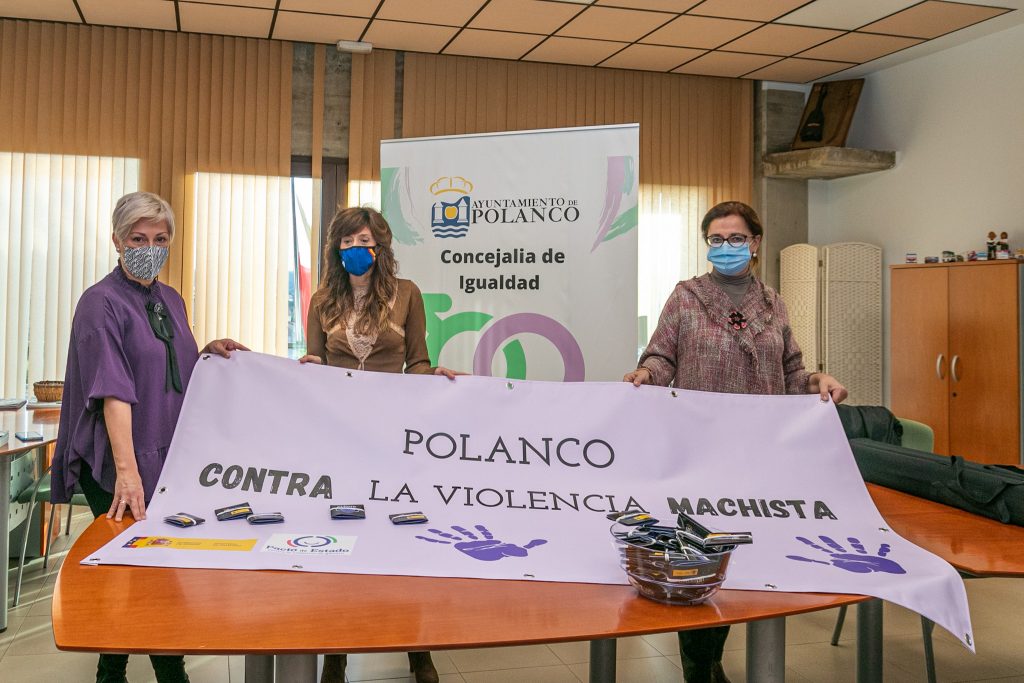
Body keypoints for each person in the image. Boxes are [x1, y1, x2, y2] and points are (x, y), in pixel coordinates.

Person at [623, 201, 847, 683]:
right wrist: (645, 374)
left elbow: (791, 373)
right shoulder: (686, 297)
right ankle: (699, 666)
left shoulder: (774, 303)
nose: (725, 248)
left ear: (755, 243)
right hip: (699, 450)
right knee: (700, 555)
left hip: (758, 453)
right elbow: (662, 355)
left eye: (735, 238)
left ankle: (714, 656)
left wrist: (818, 382)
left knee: (743, 555)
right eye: (716, 240)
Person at [51, 191, 248, 683]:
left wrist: (206, 351)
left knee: (153, 572)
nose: (150, 247)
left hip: (165, 458)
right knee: (141, 573)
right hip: (120, 464)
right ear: (116, 240)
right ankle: (157, 672)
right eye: (138, 238)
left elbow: (165, 367)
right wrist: (127, 475)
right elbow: (113, 392)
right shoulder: (99, 304)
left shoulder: (170, 298)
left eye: (160, 239)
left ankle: (119, 671)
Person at [299, 206, 456, 683]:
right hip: (339, 439)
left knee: (402, 540)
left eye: (362, 240)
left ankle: (417, 650)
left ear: (380, 246)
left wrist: (440, 377)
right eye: (345, 242)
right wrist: (300, 367)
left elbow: (418, 363)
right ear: (335, 249)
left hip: (393, 441)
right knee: (340, 540)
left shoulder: (408, 295)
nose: (353, 250)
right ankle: (336, 654)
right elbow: (315, 361)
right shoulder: (323, 297)